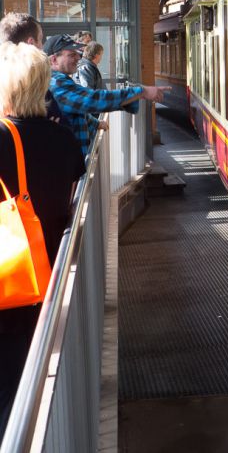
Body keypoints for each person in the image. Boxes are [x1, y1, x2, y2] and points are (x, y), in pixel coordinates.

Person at [0, 42, 86, 438]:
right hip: (47, 277)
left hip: (9, 282)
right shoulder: (64, 140)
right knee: (27, 378)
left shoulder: (3, 138)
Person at [43, 34, 167, 156]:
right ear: (54, 60)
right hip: (66, 160)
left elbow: (77, 109)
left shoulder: (59, 80)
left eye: (77, 53)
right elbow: (91, 99)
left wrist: (96, 124)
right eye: (71, 55)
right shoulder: (57, 83)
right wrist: (140, 92)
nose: (78, 58)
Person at [0, 13, 62, 121]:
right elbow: (59, 122)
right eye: (41, 39)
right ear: (31, 43)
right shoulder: (35, 82)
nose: (42, 46)